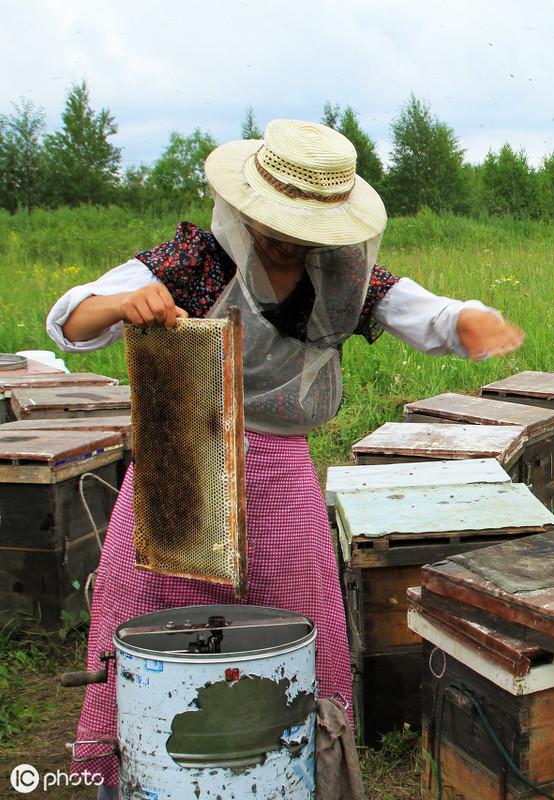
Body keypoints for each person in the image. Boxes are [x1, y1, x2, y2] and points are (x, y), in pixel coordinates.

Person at [46, 119, 524, 795]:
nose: (290, 242)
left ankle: (293, 773)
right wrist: (124, 302)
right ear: (248, 206)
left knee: (298, 627)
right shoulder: (195, 260)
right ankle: (145, 770)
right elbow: (70, 318)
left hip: (280, 478)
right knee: (152, 621)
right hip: (178, 465)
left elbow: (418, 309)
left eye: (306, 232)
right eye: (278, 228)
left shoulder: (343, 274)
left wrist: (465, 320)